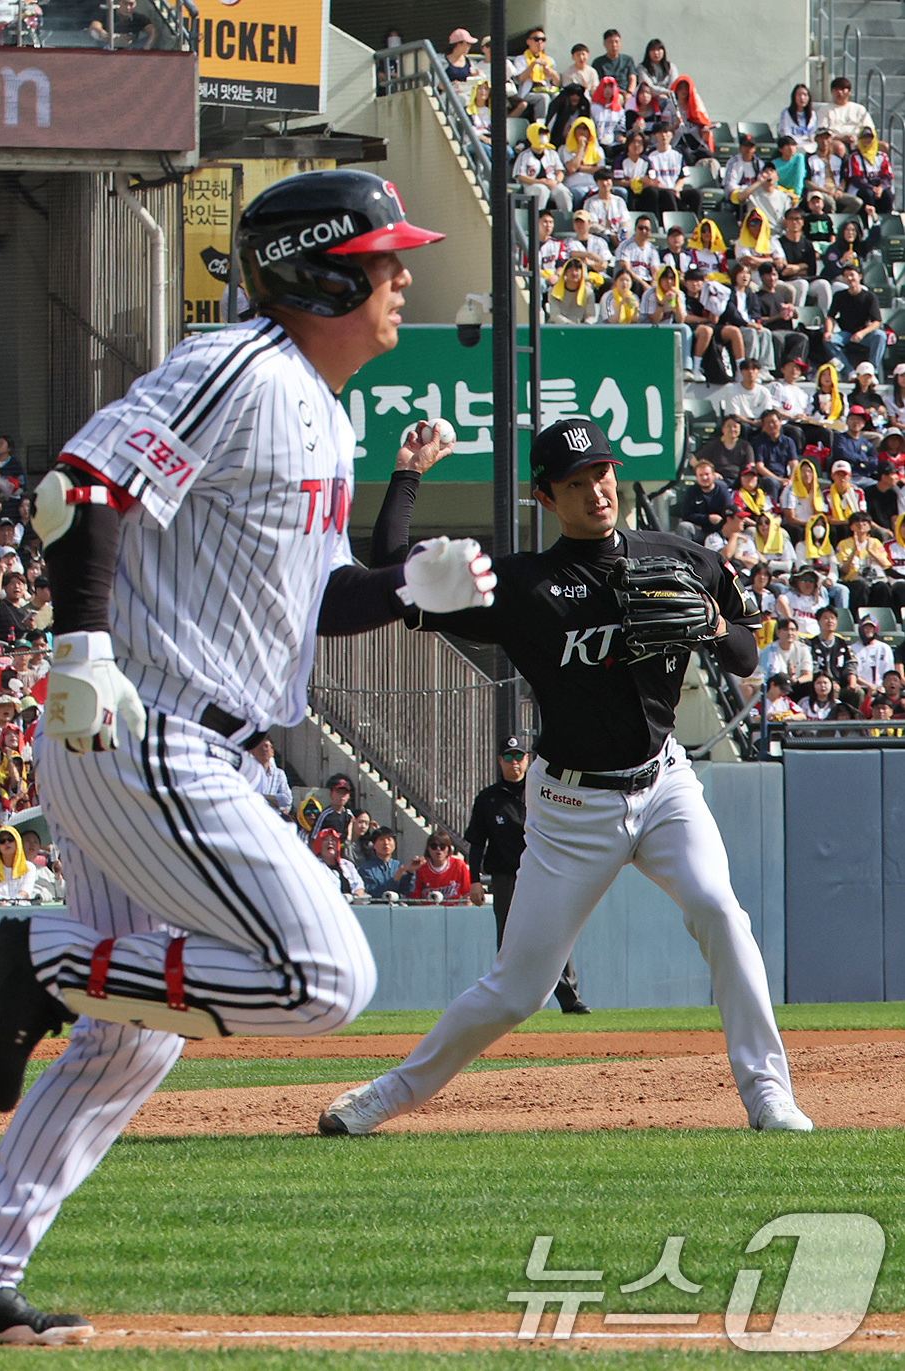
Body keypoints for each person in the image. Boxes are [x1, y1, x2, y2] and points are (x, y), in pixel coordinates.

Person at [0, 169, 499, 1345]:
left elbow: (314, 602)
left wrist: (404, 593)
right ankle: (45, 952)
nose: (403, 278)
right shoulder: (238, 368)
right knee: (321, 979)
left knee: (132, 1034)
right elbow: (83, 483)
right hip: (150, 726)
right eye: (382, 260)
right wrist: (78, 643)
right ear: (321, 272)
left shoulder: (322, 410)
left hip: (187, 740)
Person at [318, 418, 812, 1140]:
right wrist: (409, 471)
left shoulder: (679, 557)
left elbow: (742, 653)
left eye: (602, 473)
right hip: (571, 804)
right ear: (548, 497)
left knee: (721, 912)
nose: (596, 491)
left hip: (665, 783)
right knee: (519, 989)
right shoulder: (522, 586)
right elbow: (391, 565)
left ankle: (770, 1097)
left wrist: (710, 621)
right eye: (575, 483)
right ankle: (384, 1096)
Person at [465, 736, 588, 1014]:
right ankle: (505, 998)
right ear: (500, 761)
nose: (514, 763)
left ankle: (571, 1000)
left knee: (556, 932)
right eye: (508, 757)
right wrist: (473, 880)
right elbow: (476, 843)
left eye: (519, 757)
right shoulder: (488, 798)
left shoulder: (542, 792)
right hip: (506, 877)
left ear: (527, 760)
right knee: (509, 939)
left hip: (544, 872)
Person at [824, 265, 886, 376]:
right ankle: (849, 371)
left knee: (880, 336)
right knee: (829, 340)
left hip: (864, 334)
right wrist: (829, 331)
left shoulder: (869, 297)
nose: (849, 278)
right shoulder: (839, 296)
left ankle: (872, 371)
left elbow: (877, 322)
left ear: (860, 276)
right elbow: (830, 317)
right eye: (846, 276)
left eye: (852, 275)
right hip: (846, 333)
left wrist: (861, 334)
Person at [836, 511, 892, 610]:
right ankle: (858, 618)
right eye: (857, 522)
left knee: (883, 587)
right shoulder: (843, 544)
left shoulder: (875, 542)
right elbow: (844, 570)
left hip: (874, 579)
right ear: (851, 527)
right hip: (854, 580)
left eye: (864, 522)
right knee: (860, 586)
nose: (861, 524)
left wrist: (871, 551)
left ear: (870, 527)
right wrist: (854, 551)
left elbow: (885, 564)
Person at [513, 122, 573, 213]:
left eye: (545, 134)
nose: (543, 136)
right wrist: (539, 181)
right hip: (533, 185)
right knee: (542, 190)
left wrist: (556, 181)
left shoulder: (552, 153)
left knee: (563, 192)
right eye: (541, 134)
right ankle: (537, 219)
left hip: (552, 183)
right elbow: (520, 175)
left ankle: (566, 220)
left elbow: (560, 171)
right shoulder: (524, 155)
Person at [357, 826, 419, 898]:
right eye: (381, 839)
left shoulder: (398, 865)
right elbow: (373, 892)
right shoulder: (366, 869)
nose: (386, 843)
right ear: (374, 845)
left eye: (389, 839)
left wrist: (410, 872)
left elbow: (407, 890)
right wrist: (395, 879)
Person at [411, 829, 472, 902]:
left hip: (452, 910)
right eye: (434, 846)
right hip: (428, 910)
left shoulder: (459, 865)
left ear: (448, 849)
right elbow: (415, 898)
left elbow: (467, 894)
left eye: (442, 847)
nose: (438, 850)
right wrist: (411, 870)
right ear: (428, 849)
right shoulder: (421, 867)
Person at [248, 737, 292, 814]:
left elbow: (287, 799)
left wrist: (260, 797)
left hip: (273, 818)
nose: (264, 750)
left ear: (272, 752)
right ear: (252, 751)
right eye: (259, 747)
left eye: (266, 746)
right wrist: (274, 800)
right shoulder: (247, 773)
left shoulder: (279, 774)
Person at [592, 28, 636, 100]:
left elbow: (632, 78)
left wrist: (630, 93)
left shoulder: (628, 60)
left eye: (616, 42)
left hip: (624, 93)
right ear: (605, 44)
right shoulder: (598, 62)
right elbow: (597, 83)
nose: (614, 45)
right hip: (607, 95)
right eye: (610, 42)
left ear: (620, 43)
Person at [779, 83, 818, 152]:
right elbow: (785, 133)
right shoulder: (786, 113)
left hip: (810, 145)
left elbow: (814, 133)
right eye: (799, 95)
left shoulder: (813, 114)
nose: (802, 98)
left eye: (805, 95)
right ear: (794, 97)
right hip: (794, 146)